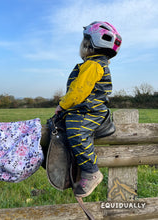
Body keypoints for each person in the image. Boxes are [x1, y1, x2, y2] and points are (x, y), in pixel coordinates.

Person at [55, 21, 122, 197]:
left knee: (76, 131)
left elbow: (78, 91)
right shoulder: (94, 64)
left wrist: (62, 105)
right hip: (86, 108)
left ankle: (91, 171)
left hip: (90, 110)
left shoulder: (93, 65)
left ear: (87, 46)